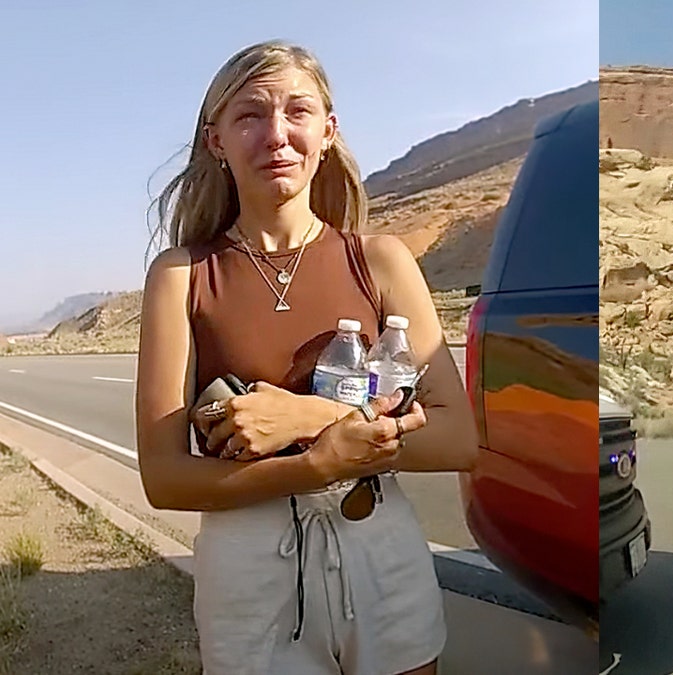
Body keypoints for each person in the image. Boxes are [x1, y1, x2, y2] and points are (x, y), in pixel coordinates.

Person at [135, 40, 479, 675]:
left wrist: (309, 419)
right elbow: (163, 478)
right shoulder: (181, 275)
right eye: (250, 116)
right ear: (216, 140)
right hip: (247, 567)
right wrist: (315, 465)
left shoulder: (380, 260)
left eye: (297, 112)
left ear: (328, 131)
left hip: (381, 550)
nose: (276, 135)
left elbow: (458, 438)